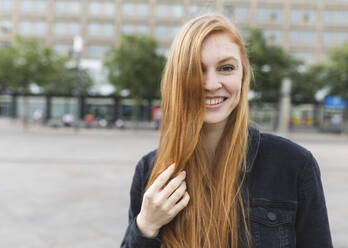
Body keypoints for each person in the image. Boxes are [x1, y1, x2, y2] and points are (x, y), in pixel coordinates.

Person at [120, 13, 333, 248]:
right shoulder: (150, 170)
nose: (211, 84)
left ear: (243, 75)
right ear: (178, 79)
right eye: (197, 70)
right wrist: (146, 226)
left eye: (226, 68)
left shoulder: (294, 164)